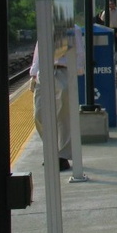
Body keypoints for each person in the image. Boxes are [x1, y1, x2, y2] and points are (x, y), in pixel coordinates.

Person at [30, 26, 85, 171]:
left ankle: (62, 156)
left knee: (63, 116)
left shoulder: (73, 29)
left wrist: (75, 74)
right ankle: (51, 150)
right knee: (39, 114)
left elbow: (79, 52)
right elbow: (39, 50)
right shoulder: (45, 23)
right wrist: (34, 72)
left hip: (62, 71)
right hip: (43, 73)